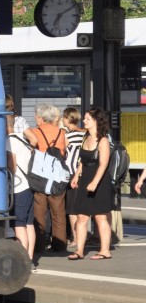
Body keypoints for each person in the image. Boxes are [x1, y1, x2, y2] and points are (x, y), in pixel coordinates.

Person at [69, 106, 114, 260]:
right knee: (82, 217)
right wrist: (76, 175)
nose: (84, 121)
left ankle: (105, 250)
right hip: (85, 179)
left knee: (100, 217)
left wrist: (95, 182)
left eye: (88, 119)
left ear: (96, 121)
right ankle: (79, 250)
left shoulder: (103, 140)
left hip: (100, 181)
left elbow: (103, 164)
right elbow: (83, 160)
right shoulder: (85, 137)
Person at [26, 103, 68, 253]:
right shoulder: (61, 132)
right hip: (57, 176)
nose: (35, 118)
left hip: (40, 176)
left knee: (39, 212)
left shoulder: (34, 132)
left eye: (36, 116)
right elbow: (64, 151)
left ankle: (38, 245)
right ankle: (59, 245)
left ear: (41, 118)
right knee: (58, 213)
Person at [6, 114, 36, 265]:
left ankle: (23, 260)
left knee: (18, 225)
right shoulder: (23, 140)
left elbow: (12, 166)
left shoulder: (9, 141)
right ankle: (30, 258)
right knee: (29, 223)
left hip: (18, 187)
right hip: (29, 186)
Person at [61, 106, 85, 248]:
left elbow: (63, 153)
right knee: (82, 206)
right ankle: (83, 236)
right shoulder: (84, 134)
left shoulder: (68, 136)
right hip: (83, 173)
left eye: (64, 118)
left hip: (71, 173)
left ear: (67, 119)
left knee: (72, 208)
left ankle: (76, 238)